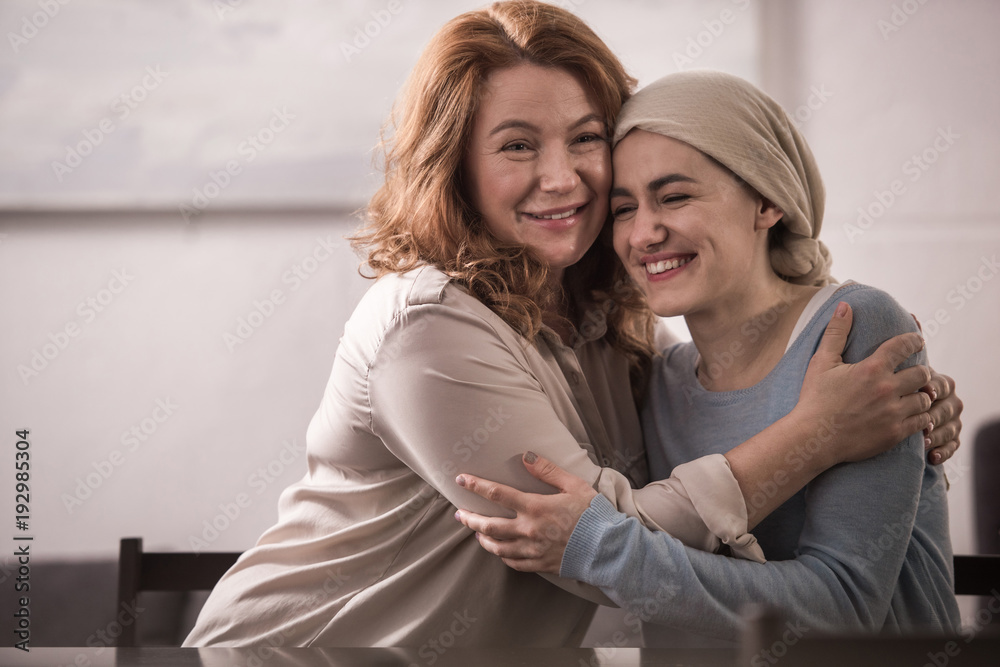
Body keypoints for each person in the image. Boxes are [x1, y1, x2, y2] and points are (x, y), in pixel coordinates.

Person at [185, 2, 961, 648]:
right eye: (518, 145)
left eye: (586, 139)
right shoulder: (426, 326)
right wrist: (818, 433)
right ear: (455, 165)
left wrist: (910, 422)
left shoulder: (617, 335)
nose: (564, 179)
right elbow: (594, 550)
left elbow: (654, 539)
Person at [453, 69, 962, 644]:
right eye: (623, 209)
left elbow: (845, 608)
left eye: (674, 197)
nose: (644, 233)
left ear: (767, 199)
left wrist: (601, 547)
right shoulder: (656, 378)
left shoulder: (851, 329)